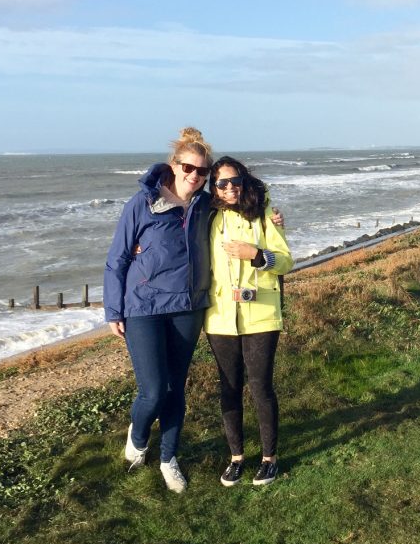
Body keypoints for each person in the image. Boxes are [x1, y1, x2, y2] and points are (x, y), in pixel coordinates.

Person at [103, 127, 214, 493]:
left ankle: (169, 458)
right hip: (144, 309)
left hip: (187, 308)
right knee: (152, 390)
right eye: (188, 168)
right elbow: (118, 258)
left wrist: (271, 218)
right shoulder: (143, 203)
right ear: (174, 164)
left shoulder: (206, 207)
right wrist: (113, 310)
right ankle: (137, 439)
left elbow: (242, 212)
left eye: (202, 172)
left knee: (175, 389)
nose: (194, 176)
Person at [205, 156, 293, 487]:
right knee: (229, 387)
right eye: (222, 183)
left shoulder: (266, 213)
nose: (230, 188)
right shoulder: (208, 216)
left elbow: (286, 261)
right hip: (219, 317)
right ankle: (236, 457)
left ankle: (269, 458)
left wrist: (255, 255)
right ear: (214, 187)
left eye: (235, 180)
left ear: (244, 180)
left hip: (262, 315)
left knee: (260, 386)